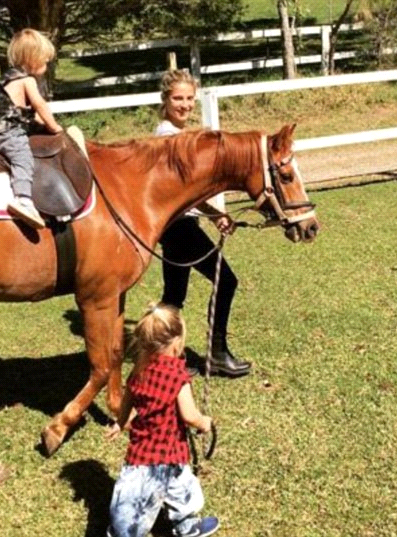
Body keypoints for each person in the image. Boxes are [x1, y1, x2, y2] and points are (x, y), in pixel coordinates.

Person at [156, 70, 251, 377]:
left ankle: (163, 358)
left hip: (177, 227)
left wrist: (213, 214)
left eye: (188, 98)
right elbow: (183, 191)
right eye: (177, 98)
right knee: (227, 281)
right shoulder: (168, 137)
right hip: (179, 227)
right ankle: (217, 354)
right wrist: (215, 213)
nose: (184, 104)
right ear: (165, 99)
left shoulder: (175, 133)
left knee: (173, 297)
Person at [106, 303, 220, 537]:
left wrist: (120, 423)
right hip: (170, 454)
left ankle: (123, 531)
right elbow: (189, 415)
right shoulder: (178, 375)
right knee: (182, 489)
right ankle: (186, 525)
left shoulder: (138, 371)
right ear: (177, 342)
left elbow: (126, 402)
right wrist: (204, 422)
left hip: (140, 454)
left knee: (131, 496)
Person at [0, 28, 63, 229]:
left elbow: (27, 113)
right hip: (3, 130)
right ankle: (23, 198)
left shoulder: (8, 76)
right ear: (32, 58)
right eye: (44, 58)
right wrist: (55, 127)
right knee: (23, 157)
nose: (47, 63)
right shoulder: (27, 81)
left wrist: (39, 125)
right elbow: (41, 106)